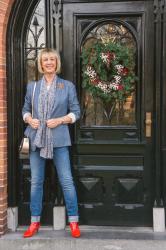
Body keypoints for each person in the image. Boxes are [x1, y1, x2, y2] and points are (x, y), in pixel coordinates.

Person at [22, 48, 81, 238]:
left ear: (56, 63)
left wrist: (60, 120)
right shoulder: (33, 87)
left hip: (59, 139)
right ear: (40, 63)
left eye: (52, 59)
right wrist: (29, 119)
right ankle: (34, 222)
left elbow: (76, 112)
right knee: (36, 182)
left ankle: (73, 221)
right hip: (36, 139)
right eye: (45, 59)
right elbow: (25, 109)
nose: (49, 62)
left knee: (66, 181)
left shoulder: (67, 86)